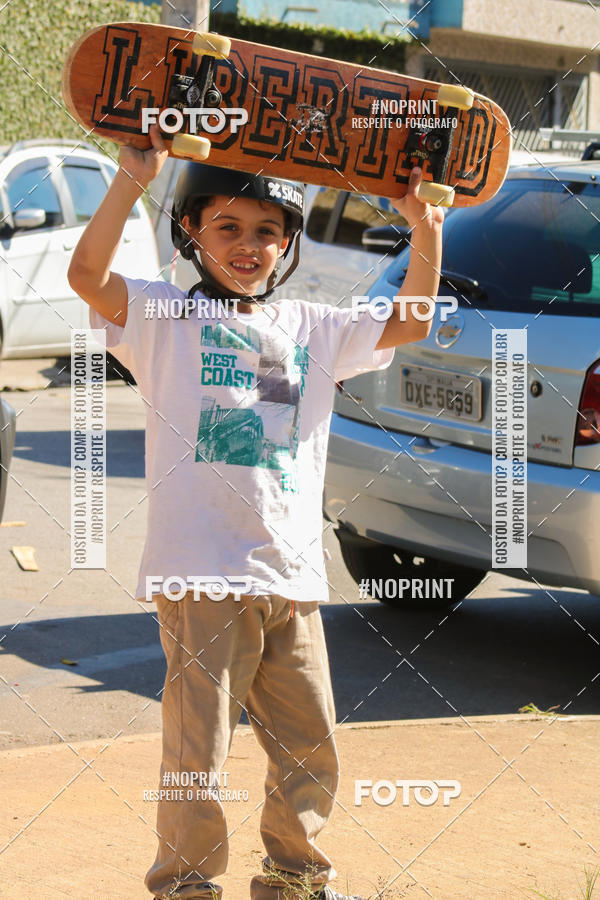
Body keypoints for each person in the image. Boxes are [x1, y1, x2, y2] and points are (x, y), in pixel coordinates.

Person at [68, 125, 443, 900]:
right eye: (228, 227)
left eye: (267, 231)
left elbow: (410, 322)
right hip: (200, 576)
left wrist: (425, 229)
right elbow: (87, 274)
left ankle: (295, 878)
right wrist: (131, 180)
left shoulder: (313, 328)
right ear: (193, 234)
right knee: (196, 756)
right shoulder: (163, 317)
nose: (248, 245)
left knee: (310, 746)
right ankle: (185, 884)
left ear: (289, 245)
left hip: (291, 577)